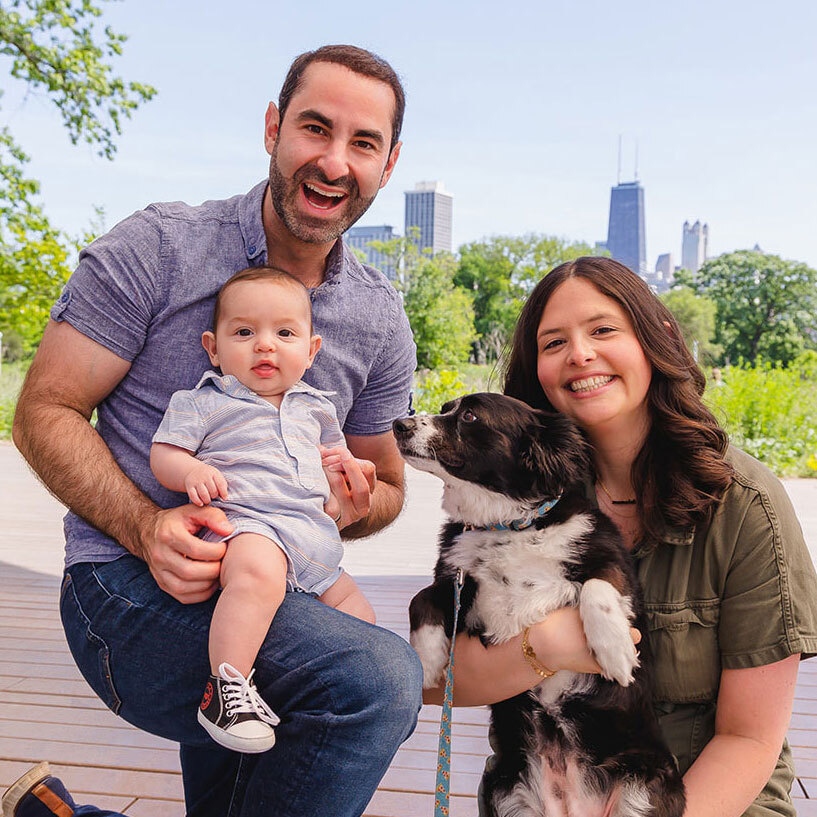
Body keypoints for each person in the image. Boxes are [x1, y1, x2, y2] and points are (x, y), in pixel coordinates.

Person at [9, 44, 423, 817]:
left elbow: (389, 486)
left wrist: (355, 501)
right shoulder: (159, 246)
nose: (334, 162)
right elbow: (44, 409)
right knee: (375, 678)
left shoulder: (375, 316)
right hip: (126, 587)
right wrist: (145, 525)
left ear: (388, 163)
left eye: (362, 143)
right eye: (314, 128)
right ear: (272, 127)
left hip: (285, 582)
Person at [423, 256, 817, 817]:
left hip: (703, 798)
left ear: (658, 339)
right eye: (554, 342)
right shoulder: (505, 494)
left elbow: (750, 740)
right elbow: (441, 684)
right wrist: (543, 649)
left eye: (604, 330)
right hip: (537, 791)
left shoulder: (746, 505)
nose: (580, 354)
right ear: (537, 368)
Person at [150, 266, 376, 753]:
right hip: (247, 526)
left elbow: (333, 491)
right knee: (257, 577)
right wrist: (188, 472)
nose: (265, 345)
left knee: (363, 624)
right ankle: (224, 691)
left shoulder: (317, 409)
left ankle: (344, 699)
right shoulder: (205, 401)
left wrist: (343, 483)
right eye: (245, 332)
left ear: (312, 351)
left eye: (285, 333)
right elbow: (164, 453)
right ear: (213, 347)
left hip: (312, 540)